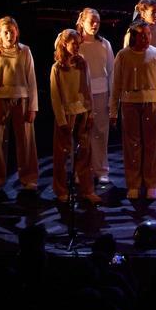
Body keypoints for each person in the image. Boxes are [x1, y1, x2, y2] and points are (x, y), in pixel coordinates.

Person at [110, 21, 156, 200]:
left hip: (152, 104)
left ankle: (152, 183)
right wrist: (113, 112)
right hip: (130, 103)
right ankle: (134, 184)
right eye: (142, 35)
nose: (146, 38)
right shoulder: (123, 56)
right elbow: (116, 85)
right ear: (134, 36)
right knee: (132, 145)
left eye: (148, 34)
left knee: (152, 144)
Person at [0, 17, 39, 194]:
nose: (9, 35)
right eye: (5, 32)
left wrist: (33, 107)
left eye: (12, 31)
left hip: (22, 99)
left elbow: (31, 80)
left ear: (17, 31)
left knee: (26, 140)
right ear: (0, 34)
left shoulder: (25, 51)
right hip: (1, 99)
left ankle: (29, 178)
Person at [50, 29, 98, 204]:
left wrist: (90, 112)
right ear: (64, 44)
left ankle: (87, 190)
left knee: (85, 152)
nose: (77, 47)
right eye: (73, 43)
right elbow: (55, 97)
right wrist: (62, 120)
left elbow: (88, 89)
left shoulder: (82, 63)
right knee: (62, 154)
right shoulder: (57, 68)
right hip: (66, 115)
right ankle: (61, 190)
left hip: (82, 112)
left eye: (79, 43)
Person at [128, 0, 156, 178]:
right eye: (152, 12)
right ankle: (139, 167)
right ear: (142, 12)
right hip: (139, 91)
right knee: (139, 133)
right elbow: (127, 61)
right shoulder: (131, 34)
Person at [75, 8, 114, 185]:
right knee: (82, 133)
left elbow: (112, 71)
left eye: (97, 21)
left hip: (102, 93)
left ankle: (101, 169)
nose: (95, 24)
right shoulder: (76, 44)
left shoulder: (104, 44)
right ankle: (81, 170)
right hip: (81, 94)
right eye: (91, 21)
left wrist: (112, 99)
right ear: (82, 22)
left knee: (101, 132)